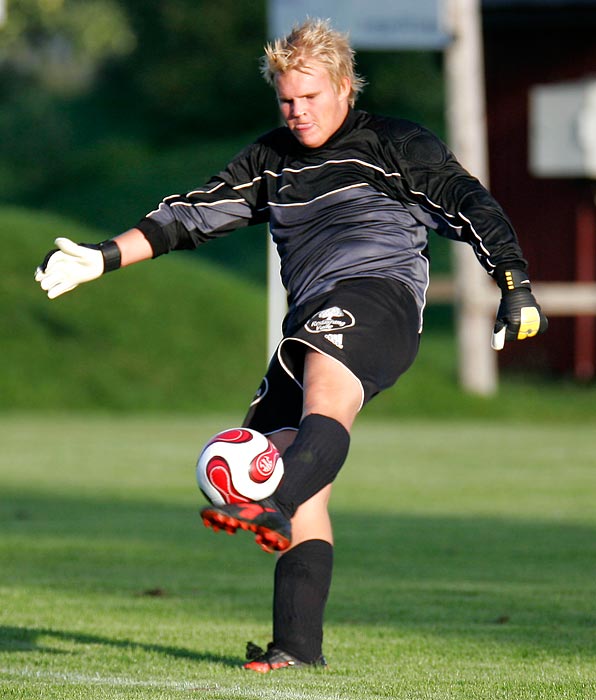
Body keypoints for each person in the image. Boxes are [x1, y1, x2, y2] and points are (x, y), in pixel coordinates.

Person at [35, 18, 547, 673]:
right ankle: (297, 646)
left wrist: (515, 284)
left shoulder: (395, 144)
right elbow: (189, 217)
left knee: (316, 418)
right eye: (286, 100)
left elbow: (471, 204)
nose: (297, 111)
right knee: (301, 474)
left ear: (342, 87)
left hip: (378, 297)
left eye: (309, 97)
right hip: (311, 323)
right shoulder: (270, 160)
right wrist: (102, 258)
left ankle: (269, 504)